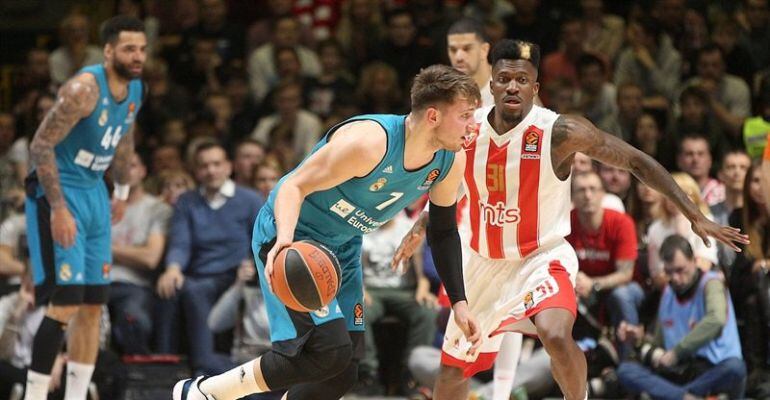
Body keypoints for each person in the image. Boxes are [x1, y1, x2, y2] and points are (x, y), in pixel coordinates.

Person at [393, 39, 747, 400]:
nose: (512, 86)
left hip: (541, 257)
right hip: (484, 261)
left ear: (536, 88)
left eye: (521, 79)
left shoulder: (559, 133)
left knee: (556, 333)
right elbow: (452, 186)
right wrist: (422, 224)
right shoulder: (468, 130)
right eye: (503, 79)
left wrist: (694, 215)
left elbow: (636, 161)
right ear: (493, 85)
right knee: (452, 372)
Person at [172, 64, 482, 400]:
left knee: (344, 370)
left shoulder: (450, 160)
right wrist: (286, 242)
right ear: (433, 116)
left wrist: (459, 303)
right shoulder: (368, 143)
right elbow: (292, 185)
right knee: (325, 352)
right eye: (465, 115)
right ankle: (203, 392)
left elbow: (444, 230)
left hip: (343, 245)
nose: (472, 125)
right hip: (295, 237)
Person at [21, 15, 146, 400]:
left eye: (142, 48)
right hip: (58, 190)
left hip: (95, 192)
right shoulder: (82, 89)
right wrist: (57, 208)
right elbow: (40, 146)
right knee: (66, 303)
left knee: (94, 305)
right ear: (108, 51)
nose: (138, 56)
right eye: (129, 48)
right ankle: (35, 396)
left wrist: (122, 190)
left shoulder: (136, 88)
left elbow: (124, 141)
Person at [616, 235, 746, 399]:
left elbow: (717, 319)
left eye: (680, 270)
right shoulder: (668, 293)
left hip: (711, 369)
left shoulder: (711, 284)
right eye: (669, 272)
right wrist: (639, 339)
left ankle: (674, 395)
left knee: (736, 368)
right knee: (626, 371)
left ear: (694, 261)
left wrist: (677, 352)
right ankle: (685, 396)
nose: (675, 278)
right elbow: (659, 343)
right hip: (680, 371)